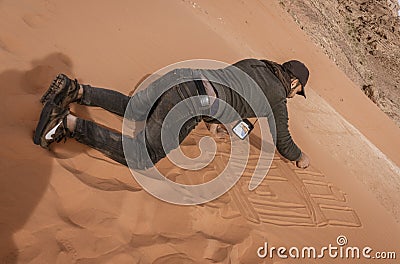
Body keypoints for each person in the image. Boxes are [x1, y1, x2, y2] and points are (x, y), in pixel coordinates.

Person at [33, 58, 310, 170]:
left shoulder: (256, 62)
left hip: (184, 78)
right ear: (294, 83)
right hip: (193, 100)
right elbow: (282, 140)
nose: (295, 96)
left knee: (134, 108)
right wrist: (300, 157)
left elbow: (229, 87)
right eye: (299, 91)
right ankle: (65, 124)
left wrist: (216, 121)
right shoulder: (277, 99)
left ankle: (75, 90)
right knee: (143, 156)